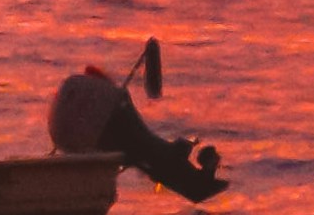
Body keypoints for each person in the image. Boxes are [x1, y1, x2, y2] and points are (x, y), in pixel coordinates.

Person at [50, 58, 223, 200]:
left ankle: (192, 178)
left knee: (145, 156)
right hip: (104, 120)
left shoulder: (83, 90)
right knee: (148, 151)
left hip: (76, 136)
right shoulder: (104, 96)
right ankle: (193, 178)